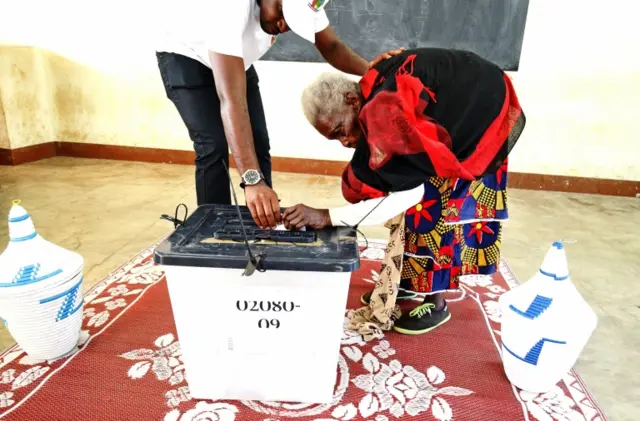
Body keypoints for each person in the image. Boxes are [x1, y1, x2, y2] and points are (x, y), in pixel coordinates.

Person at [282, 48, 525, 337]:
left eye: (339, 130)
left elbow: (407, 194)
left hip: (482, 122)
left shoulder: (385, 111)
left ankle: (436, 302)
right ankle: (409, 282)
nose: (345, 141)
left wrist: (328, 216)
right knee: (405, 189)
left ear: (351, 99)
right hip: (469, 101)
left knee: (431, 207)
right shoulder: (373, 91)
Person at [155, 0, 403, 228]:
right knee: (213, 145)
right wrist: (251, 180)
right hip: (185, 57)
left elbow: (332, 46)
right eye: (283, 15)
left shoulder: (305, 3)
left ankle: (262, 223)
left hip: (238, 61)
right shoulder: (229, 8)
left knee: (259, 141)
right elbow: (232, 100)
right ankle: (209, 234)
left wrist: (371, 71)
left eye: (292, 23)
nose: (283, 26)